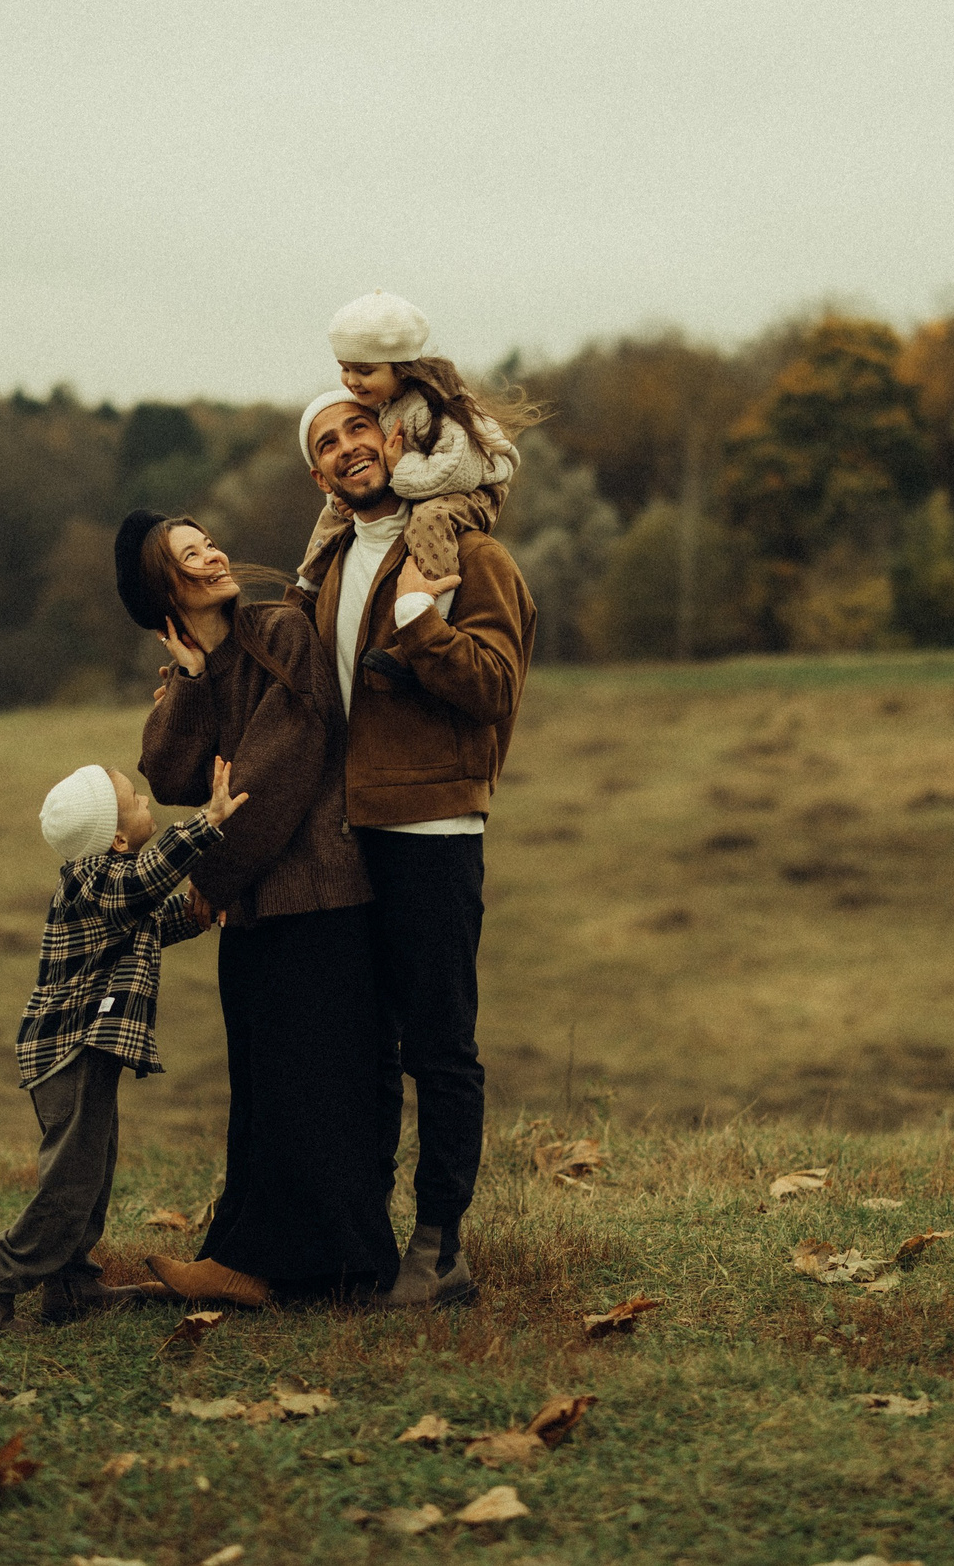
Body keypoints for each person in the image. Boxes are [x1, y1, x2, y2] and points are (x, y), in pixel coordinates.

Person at [293, 387, 536, 1308]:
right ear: (317, 474)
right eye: (329, 440)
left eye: (362, 426)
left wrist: (424, 628)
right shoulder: (322, 572)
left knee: (439, 1044)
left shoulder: (473, 558)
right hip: (345, 840)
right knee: (359, 1049)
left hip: (432, 833)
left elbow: (496, 688)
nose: (350, 446)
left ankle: (441, 1247)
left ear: (399, 438)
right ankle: (359, 1236)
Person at [125, 509, 401, 1307]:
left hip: (317, 893)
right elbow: (171, 776)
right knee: (266, 1085)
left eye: (206, 540)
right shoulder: (200, 667)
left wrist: (209, 880)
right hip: (257, 907)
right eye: (189, 555)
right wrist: (191, 680)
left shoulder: (279, 632)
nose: (213, 553)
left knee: (313, 1084)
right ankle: (262, 1258)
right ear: (164, 590)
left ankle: (328, 1267)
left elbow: (274, 772)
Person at [0, 758, 247, 1333]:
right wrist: (206, 822)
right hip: (69, 1048)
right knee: (70, 1183)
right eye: (133, 797)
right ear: (115, 835)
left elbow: (147, 923)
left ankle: (71, 1286)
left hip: (85, 1048)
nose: (144, 798)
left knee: (93, 1171)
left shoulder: (112, 889)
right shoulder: (95, 877)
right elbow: (141, 885)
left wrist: (199, 914)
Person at [292, 292, 539, 640]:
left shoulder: (429, 408)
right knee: (335, 507)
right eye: (345, 369)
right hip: (429, 484)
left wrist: (400, 468)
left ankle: (432, 610)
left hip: (474, 490)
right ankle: (306, 588)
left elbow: (458, 471)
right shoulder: (385, 401)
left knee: (428, 520)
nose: (351, 381)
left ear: (401, 369)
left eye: (364, 371)